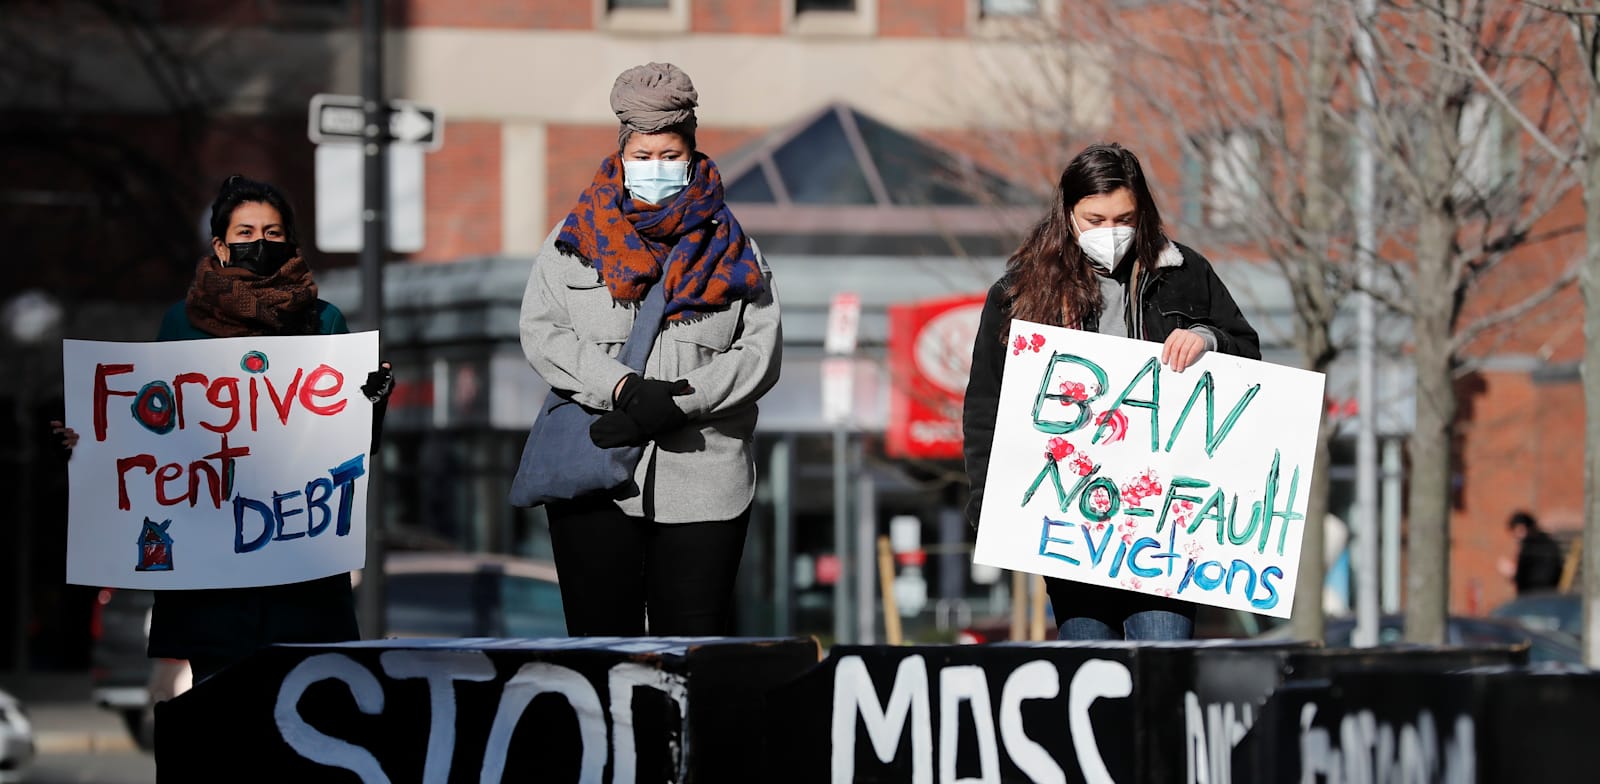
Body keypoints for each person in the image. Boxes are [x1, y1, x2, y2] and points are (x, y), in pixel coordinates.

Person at [54, 175, 392, 682]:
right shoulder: (182, 324)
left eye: (273, 233)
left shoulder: (324, 322)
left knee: (292, 708)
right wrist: (90, 440)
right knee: (221, 709)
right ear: (220, 245)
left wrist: (372, 404)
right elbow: (151, 427)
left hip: (297, 570)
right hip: (211, 580)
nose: (261, 243)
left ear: (291, 242)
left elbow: (352, 445)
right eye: (246, 232)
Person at [520, 62, 781, 637]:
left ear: (692, 154)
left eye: (669, 155)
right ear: (621, 155)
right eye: (642, 155)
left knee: (690, 649)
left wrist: (682, 401)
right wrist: (621, 388)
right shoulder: (572, 240)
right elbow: (543, 332)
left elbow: (759, 351)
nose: (655, 167)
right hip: (593, 470)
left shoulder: (737, 249)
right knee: (597, 646)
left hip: (705, 478)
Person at [961, 143, 1261, 642]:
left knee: (1162, 656)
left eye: (1124, 219)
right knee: (1089, 660)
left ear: (1143, 213)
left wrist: (1209, 340)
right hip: (1071, 515)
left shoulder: (1185, 275)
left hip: (1165, 521)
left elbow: (1248, 357)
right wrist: (988, 501)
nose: (1111, 232)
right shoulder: (1020, 293)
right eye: (1095, 220)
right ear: (1067, 214)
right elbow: (986, 407)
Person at [1502, 511, 1563, 595]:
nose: (1518, 536)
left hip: (1536, 595)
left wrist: (1513, 574)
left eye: (1520, 531)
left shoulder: (1533, 546)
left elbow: (1536, 577)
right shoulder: (1545, 543)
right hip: (1545, 594)